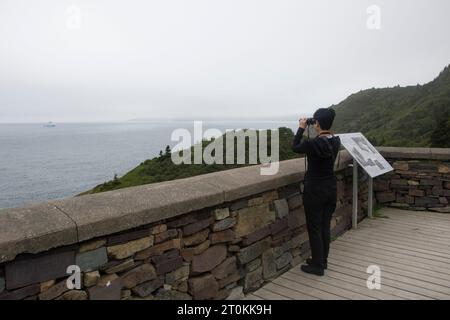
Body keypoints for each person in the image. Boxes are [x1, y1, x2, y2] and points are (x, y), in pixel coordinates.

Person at [292, 108, 341, 276]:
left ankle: (317, 266)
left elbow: (295, 146)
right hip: (331, 188)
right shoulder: (335, 141)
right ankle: (322, 260)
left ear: (317, 123)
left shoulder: (312, 144)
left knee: (314, 227)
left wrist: (301, 127)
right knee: (325, 226)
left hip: (315, 190)